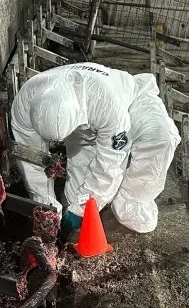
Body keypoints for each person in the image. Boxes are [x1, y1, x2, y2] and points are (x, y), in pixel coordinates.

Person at [10, 62, 180, 235]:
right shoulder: (24, 102)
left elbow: (111, 162)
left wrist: (82, 211)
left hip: (131, 102)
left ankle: (131, 201)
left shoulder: (106, 102)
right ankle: (89, 201)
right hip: (83, 130)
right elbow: (31, 158)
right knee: (76, 198)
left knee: (159, 139)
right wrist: (45, 205)